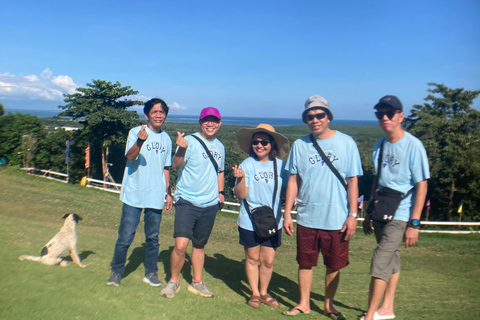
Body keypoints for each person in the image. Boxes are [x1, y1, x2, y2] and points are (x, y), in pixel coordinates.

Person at [283, 95, 363, 319]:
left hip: (337, 217)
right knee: (305, 263)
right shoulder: (300, 145)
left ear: (328, 117)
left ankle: (329, 306)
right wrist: (288, 213)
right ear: (305, 119)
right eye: (310, 116)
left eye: (320, 115)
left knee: (334, 265)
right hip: (307, 216)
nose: (315, 120)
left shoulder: (347, 143)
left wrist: (352, 215)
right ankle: (304, 303)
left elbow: (353, 181)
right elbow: (292, 181)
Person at [361, 95, 429, 320]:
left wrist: (414, 223)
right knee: (392, 258)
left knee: (380, 261)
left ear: (401, 116)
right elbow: (377, 180)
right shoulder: (379, 145)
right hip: (381, 207)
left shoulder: (413, 145)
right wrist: (369, 213)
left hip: (401, 212)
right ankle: (387, 308)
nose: (385, 118)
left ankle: (370, 315)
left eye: (389, 113)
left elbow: (422, 184)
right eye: (380, 114)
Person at [161, 107, 225, 299]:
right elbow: (175, 165)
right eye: (207, 120)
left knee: (199, 245)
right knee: (180, 245)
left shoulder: (220, 146)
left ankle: (197, 282)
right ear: (200, 122)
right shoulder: (189, 141)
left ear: (219, 124)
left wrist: (221, 193)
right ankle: (173, 281)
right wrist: (181, 148)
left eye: (214, 121)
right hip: (187, 201)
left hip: (210, 203)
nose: (210, 124)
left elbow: (220, 171)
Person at [107, 98, 173, 287]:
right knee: (126, 237)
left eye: (162, 112)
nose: (158, 115)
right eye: (154, 112)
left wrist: (168, 193)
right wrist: (140, 141)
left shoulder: (167, 139)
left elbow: (166, 168)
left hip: (156, 194)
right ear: (147, 115)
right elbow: (130, 156)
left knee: (153, 238)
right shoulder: (136, 132)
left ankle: (151, 273)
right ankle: (116, 271)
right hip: (134, 194)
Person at [232, 124, 290, 309]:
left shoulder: (281, 167)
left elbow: (289, 191)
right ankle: (255, 293)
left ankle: (264, 292)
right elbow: (241, 195)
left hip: (273, 220)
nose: (259, 145)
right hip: (249, 220)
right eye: (256, 142)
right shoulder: (246, 165)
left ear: (272, 144)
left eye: (264, 142)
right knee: (252, 258)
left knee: (268, 260)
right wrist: (240, 179)